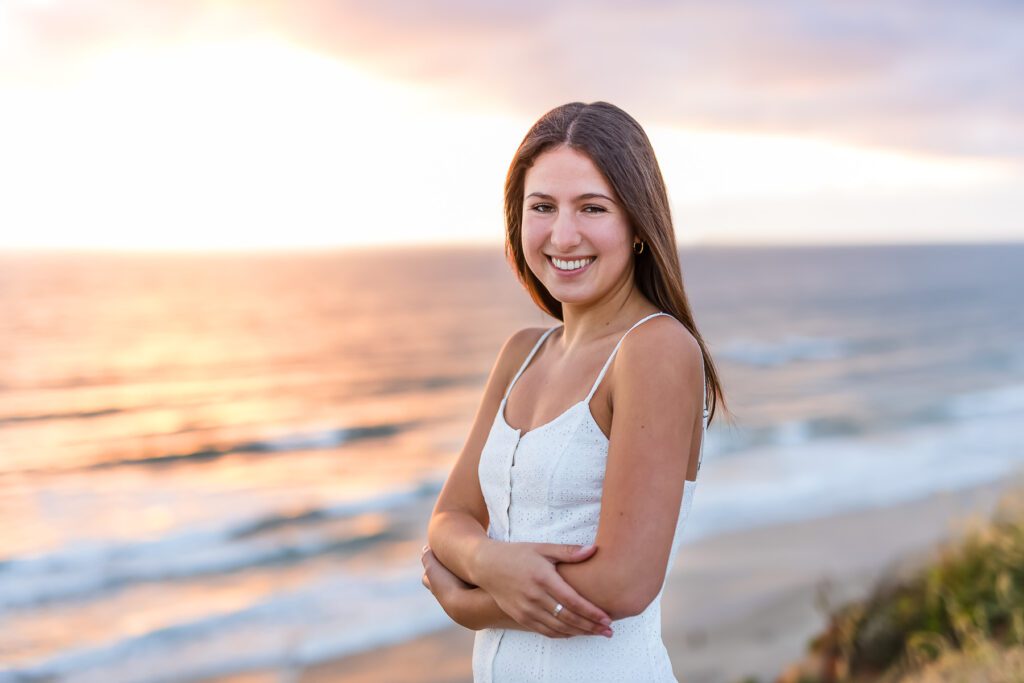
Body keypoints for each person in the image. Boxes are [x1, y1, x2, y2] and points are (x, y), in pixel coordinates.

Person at [421, 101, 726, 682]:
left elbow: (625, 580)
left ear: (637, 224)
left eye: (592, 207)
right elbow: (449, 518)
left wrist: (469, 602)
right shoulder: (521, 353)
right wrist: (489, 558)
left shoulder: (654, 349)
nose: (564, 234)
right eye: (543, 207)